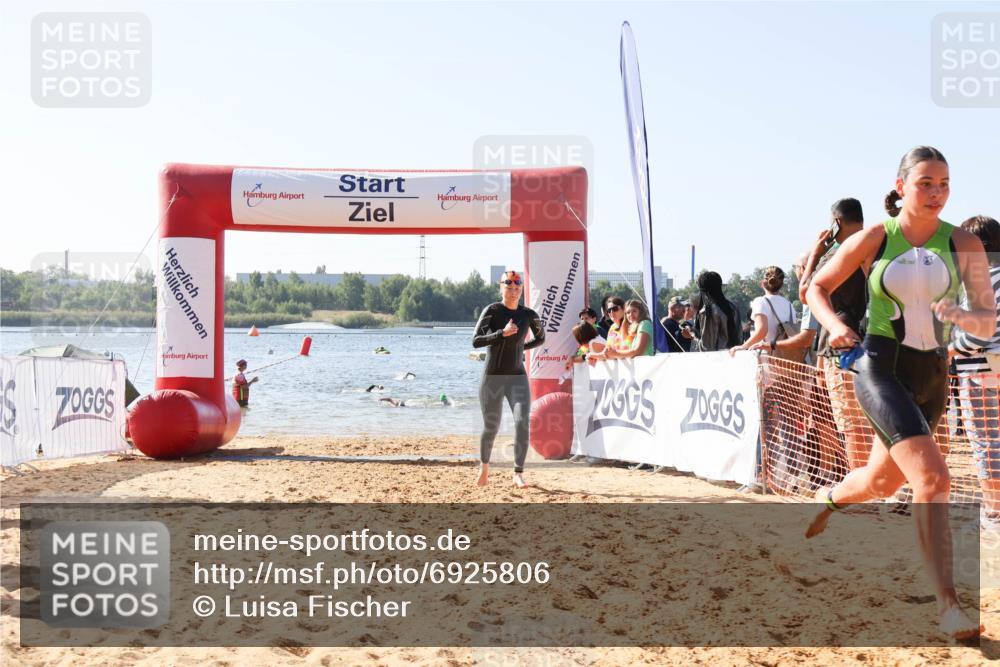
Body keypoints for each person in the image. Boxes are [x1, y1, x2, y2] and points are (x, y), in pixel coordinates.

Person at [804, 146, 993, 639]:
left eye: (944, 184)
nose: (936, 193)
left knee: (881, 482)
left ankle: (829, 498)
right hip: (880, 367)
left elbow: (987, 316)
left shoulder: (965, 245)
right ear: (901, 185)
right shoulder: (874, 237)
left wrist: (960, 318)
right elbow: (816, 289)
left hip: (933, 375)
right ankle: (949, 605)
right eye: (926, 183)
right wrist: (833, 326)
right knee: (933, 479)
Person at [800, 198, 871, 470]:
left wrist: (816, 254)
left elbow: (806, 293)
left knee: (852, 424)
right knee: (876, 420)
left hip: (841, 346)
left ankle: (862, 491)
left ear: (836, 222)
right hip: (877, 341)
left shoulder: (838, 254)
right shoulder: (877, 246)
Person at [471, 269, 545, 488]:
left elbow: (540, 338)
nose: (513, 291)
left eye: (517, 287)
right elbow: (476, 341)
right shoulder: (492, 311)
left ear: (521, 289)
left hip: (517, 376)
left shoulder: (529, 314)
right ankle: (484, 468)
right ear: (500, 287)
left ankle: (518, 473)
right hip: (492, 377)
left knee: (523, 422)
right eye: (508, 286)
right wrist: (501, 334)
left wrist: (521, 346)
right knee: (491, 426)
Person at [951, 215, 1000, 524]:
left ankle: (994, 510)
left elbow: (979, 333)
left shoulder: (979, 282)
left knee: (986, 441)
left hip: (981, 373)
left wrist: (950, 349)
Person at [730, 266, 797, 356]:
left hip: (769, 356)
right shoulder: (789, 305)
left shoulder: (760, 302)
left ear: (762, 283)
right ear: (782, 285)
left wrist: (743, 346)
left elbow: (762, 331)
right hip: (788, 357)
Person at [690, 270, 741, 352]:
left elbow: (707, 347)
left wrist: (692, 335)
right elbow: (739, 336)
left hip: (716, 360)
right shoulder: (733, 307)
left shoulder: (707, 311)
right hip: (734, 356)